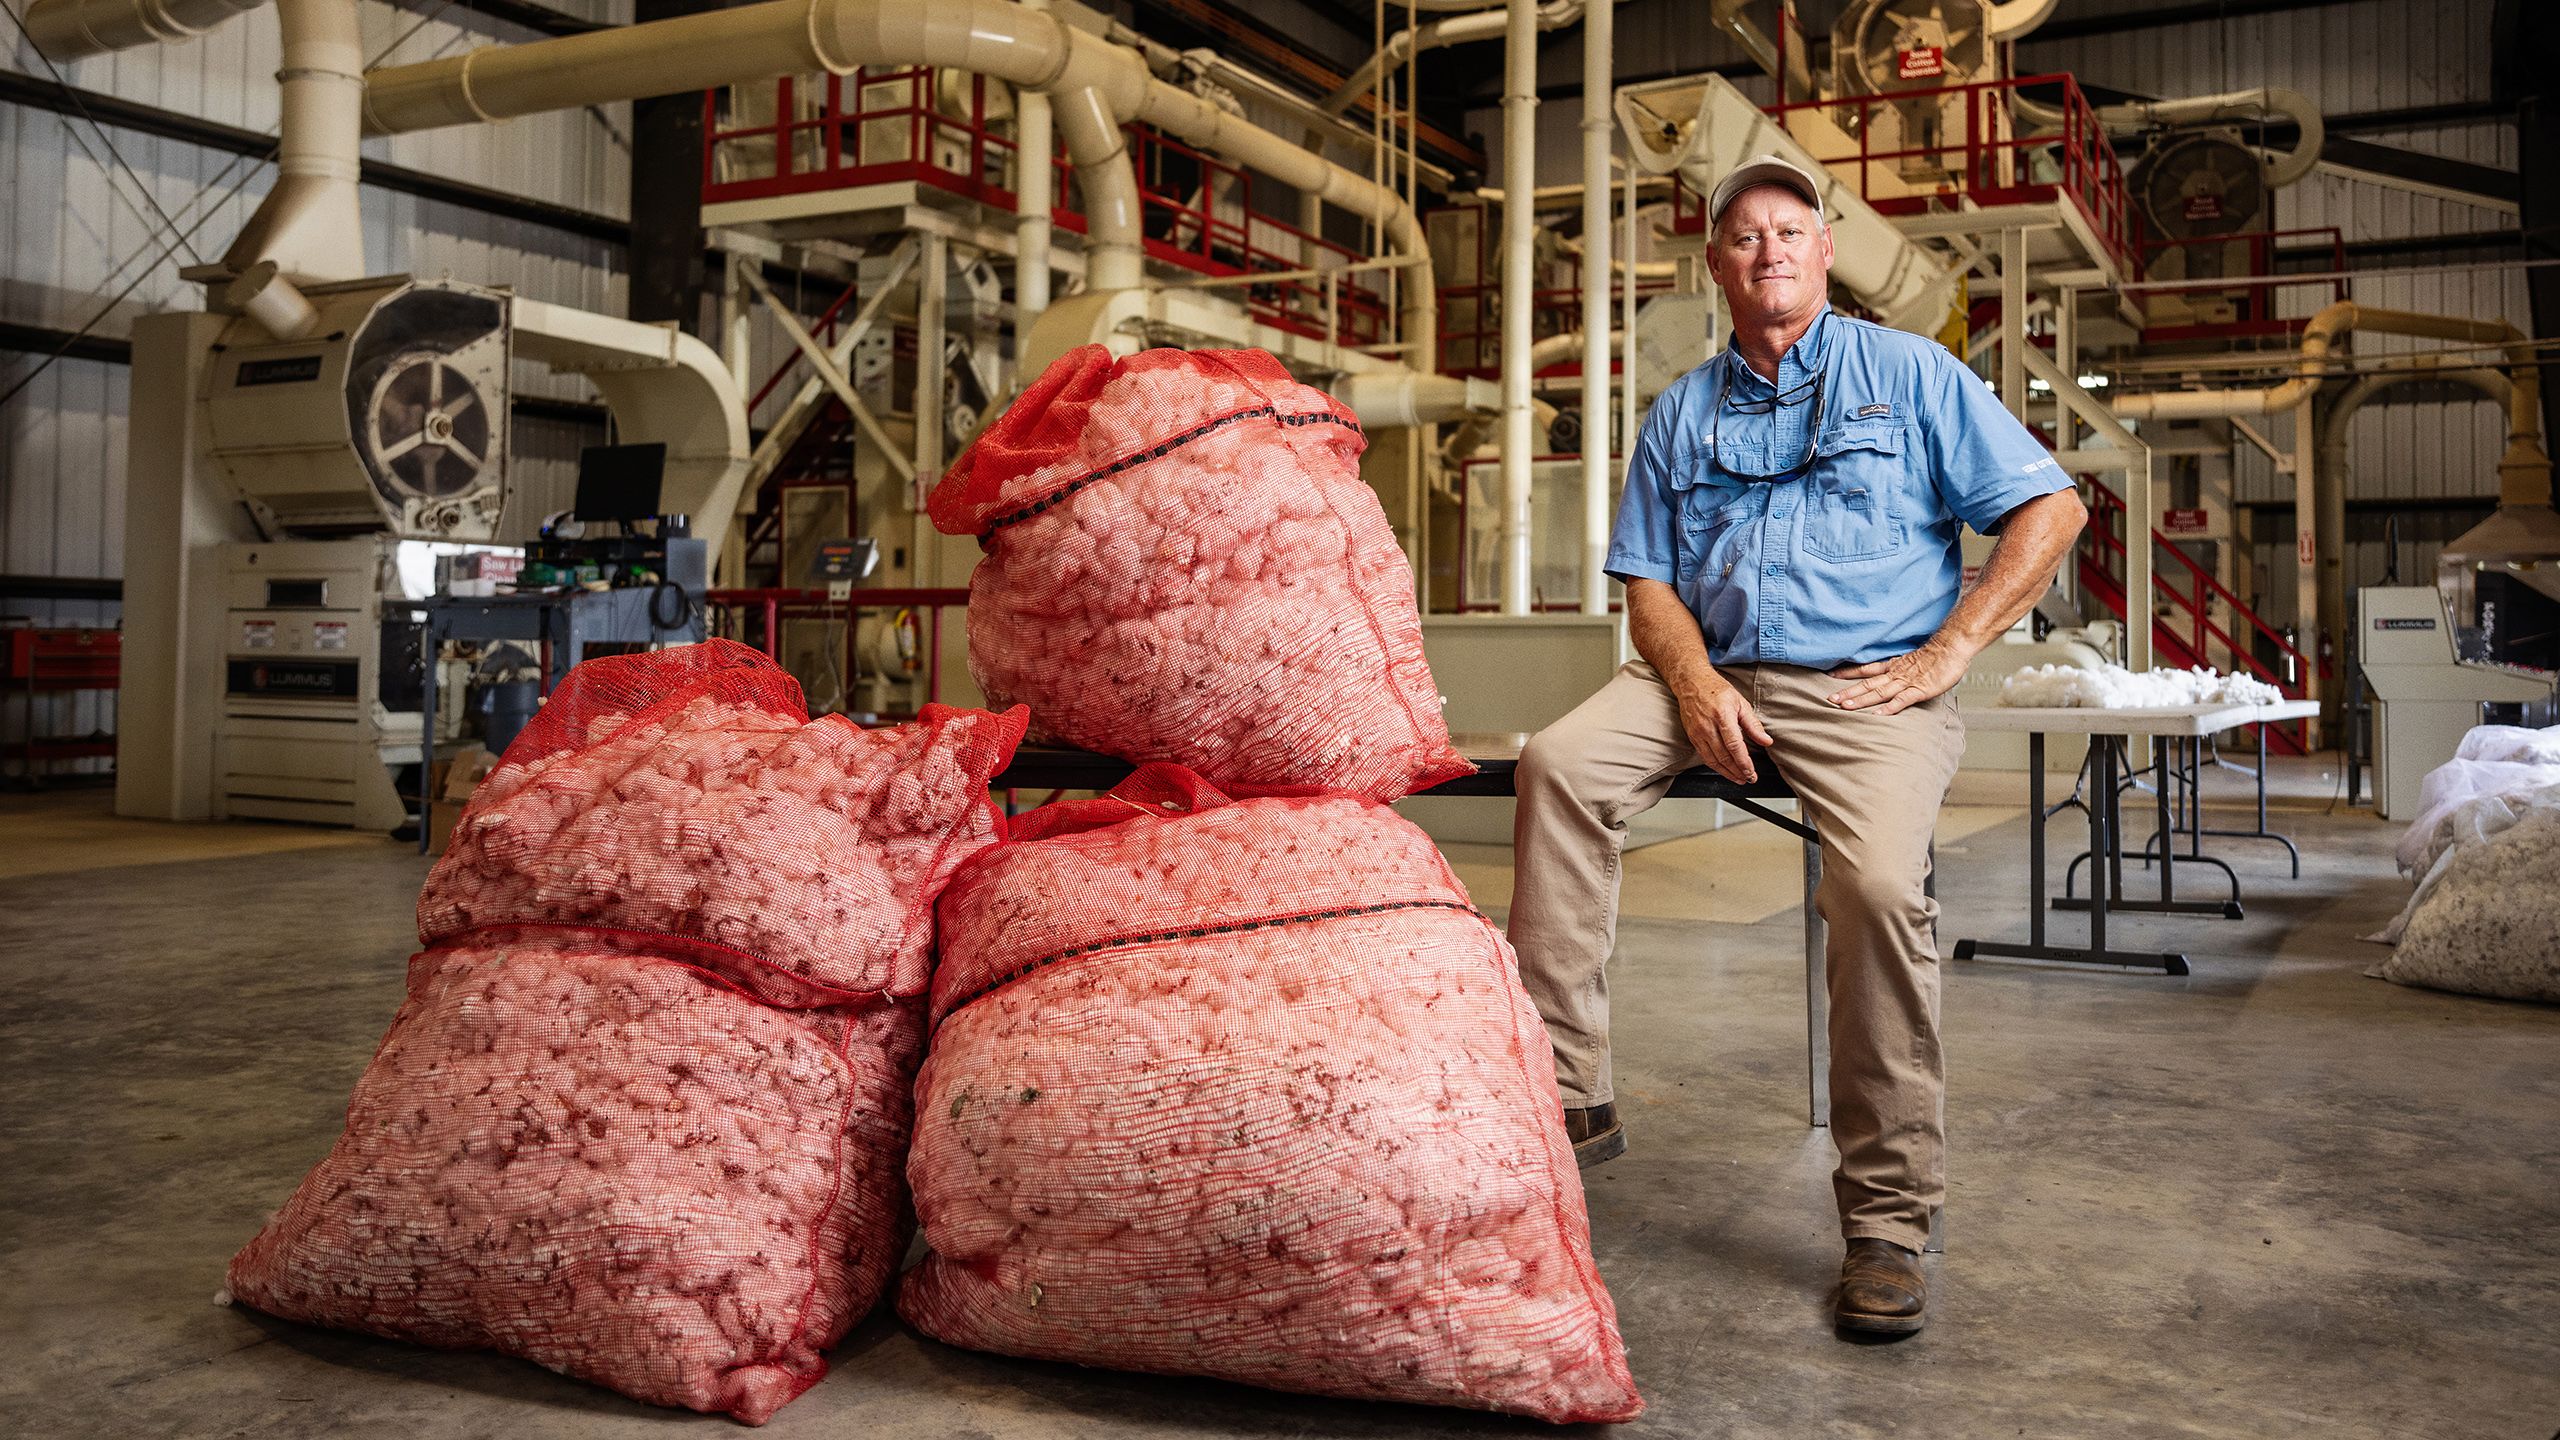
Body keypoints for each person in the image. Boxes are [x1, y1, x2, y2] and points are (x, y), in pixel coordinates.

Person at [1507, 154, 2087, 1337]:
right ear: (1715, 263)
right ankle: (1565, 1098)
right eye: (1742, 234)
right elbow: (1649, 584)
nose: (1767, 248)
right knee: (1555, 766)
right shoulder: (1683, 409)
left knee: (1875, 886)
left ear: (1824, 251)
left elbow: (2051, 507)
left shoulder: (1910, 375)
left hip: (1865, 688)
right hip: (1702, 673)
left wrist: (1949, 653)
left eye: (1791, 228)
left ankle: (1885, 1217)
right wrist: (1690, 678)